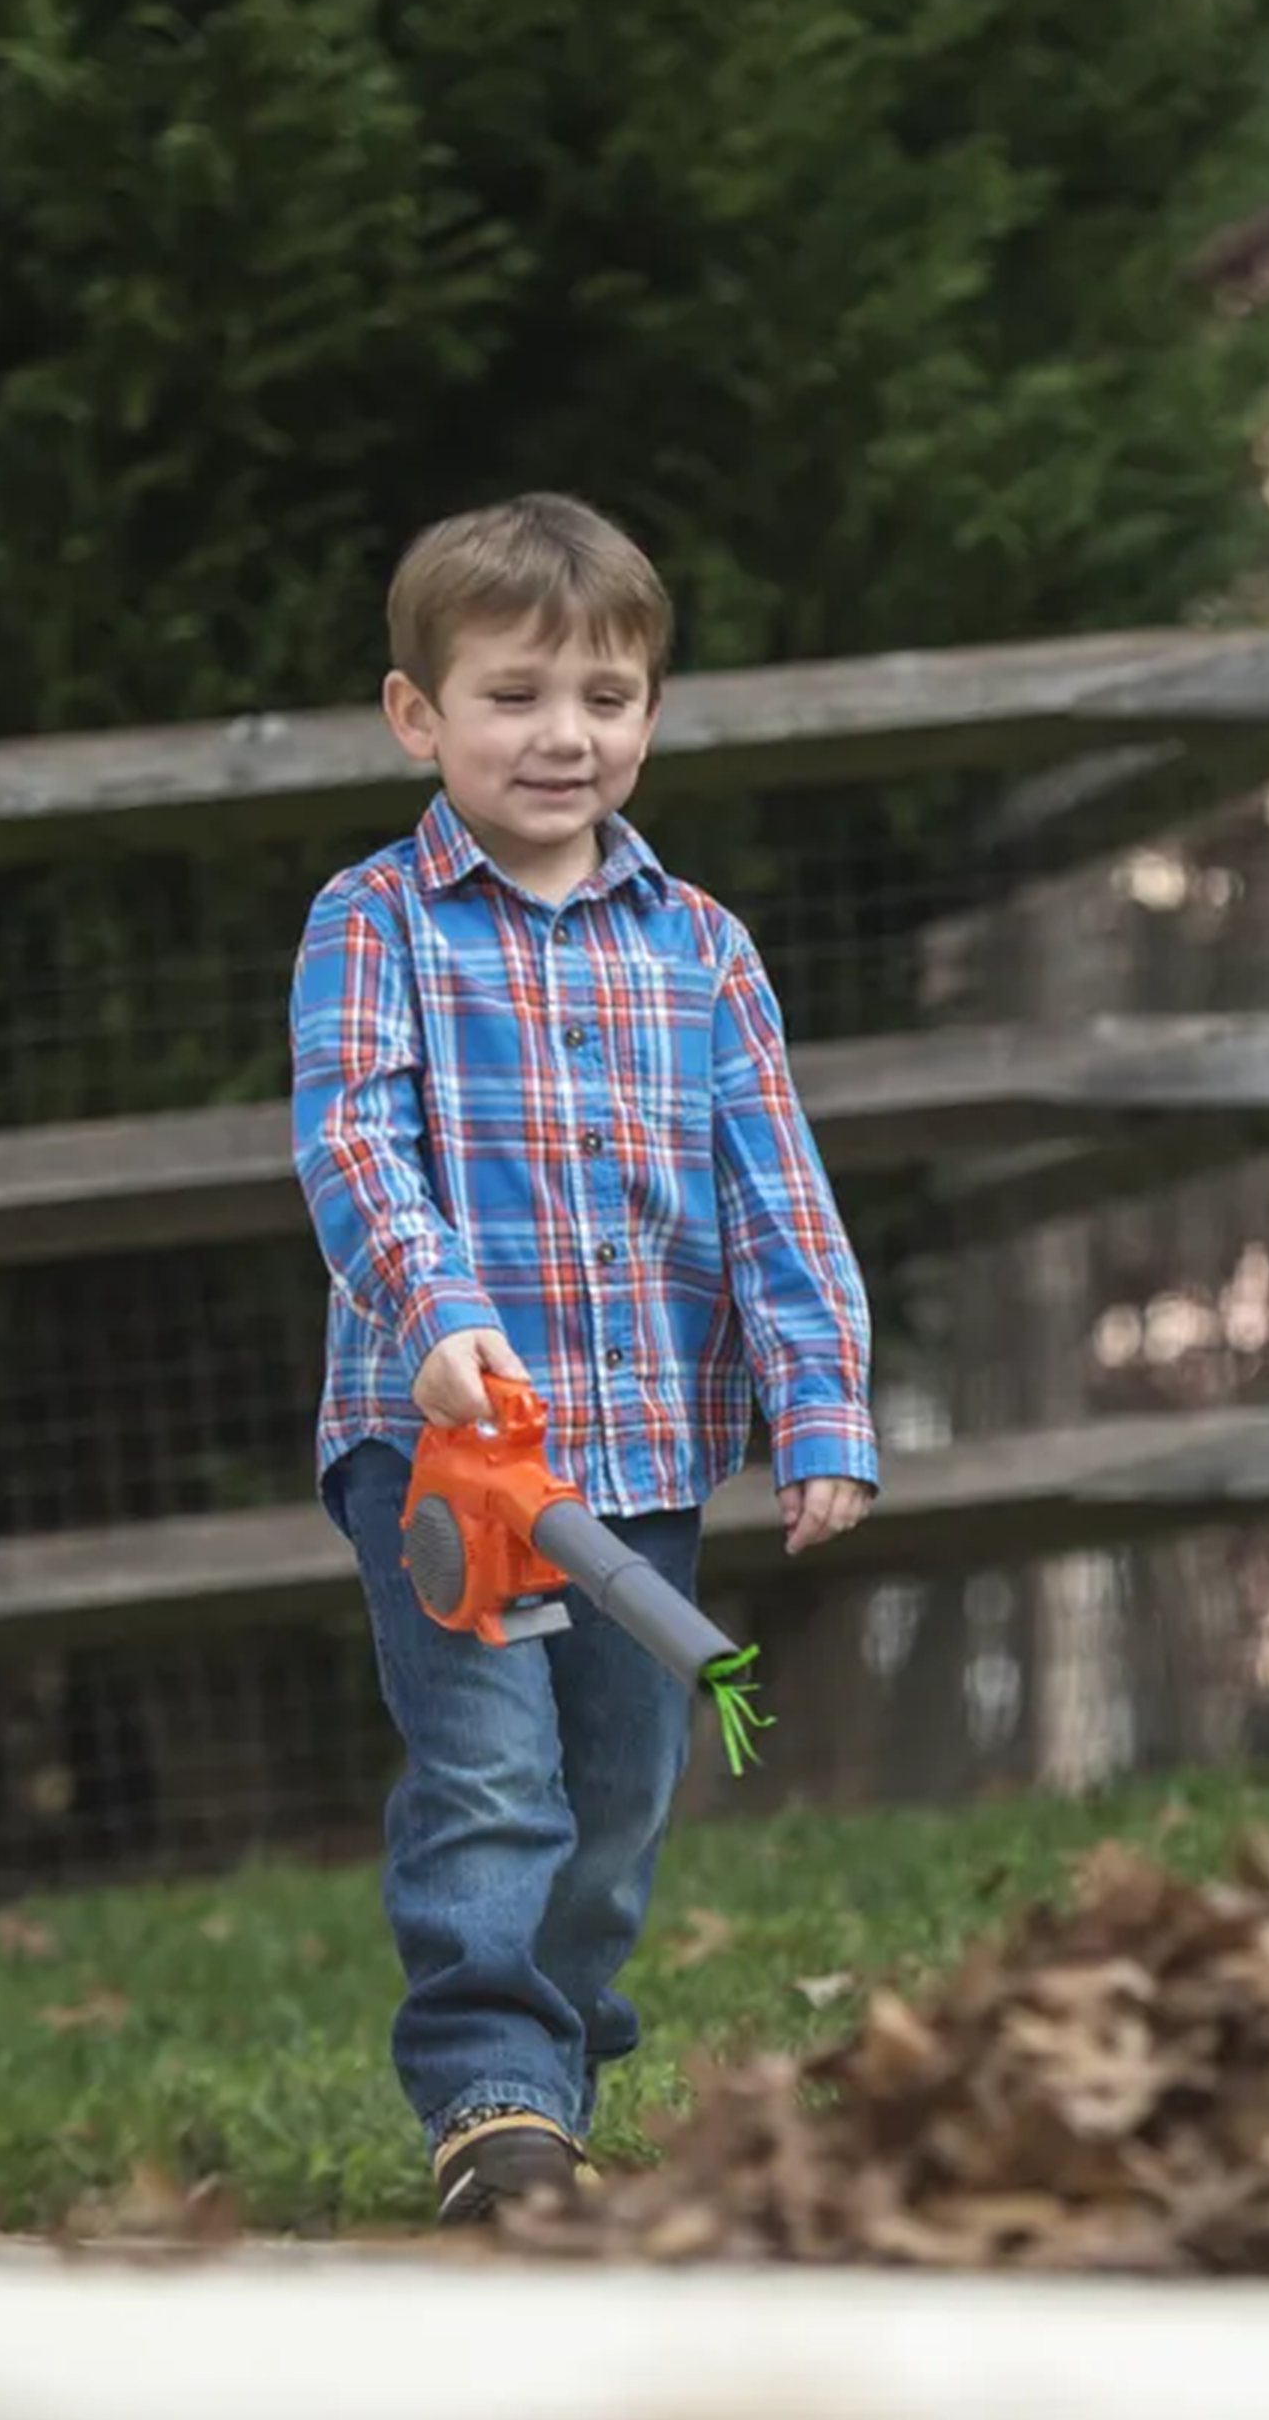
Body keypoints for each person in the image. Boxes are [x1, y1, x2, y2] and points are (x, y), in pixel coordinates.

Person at [286, 490, 879, 2227]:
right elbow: (351, 1140)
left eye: (604, 698)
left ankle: (556, 2071)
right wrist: (434, 1312)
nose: (564, 735)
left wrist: (820, 1403)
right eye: (515, 695)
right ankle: (492, 2102)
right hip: (444, 1460)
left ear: (650, 715)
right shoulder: (375, 922)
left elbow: (777, 1192)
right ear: (419, 716)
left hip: (640, 1453)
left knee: (618, 1793)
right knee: (491, 1775)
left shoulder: (702, 948)